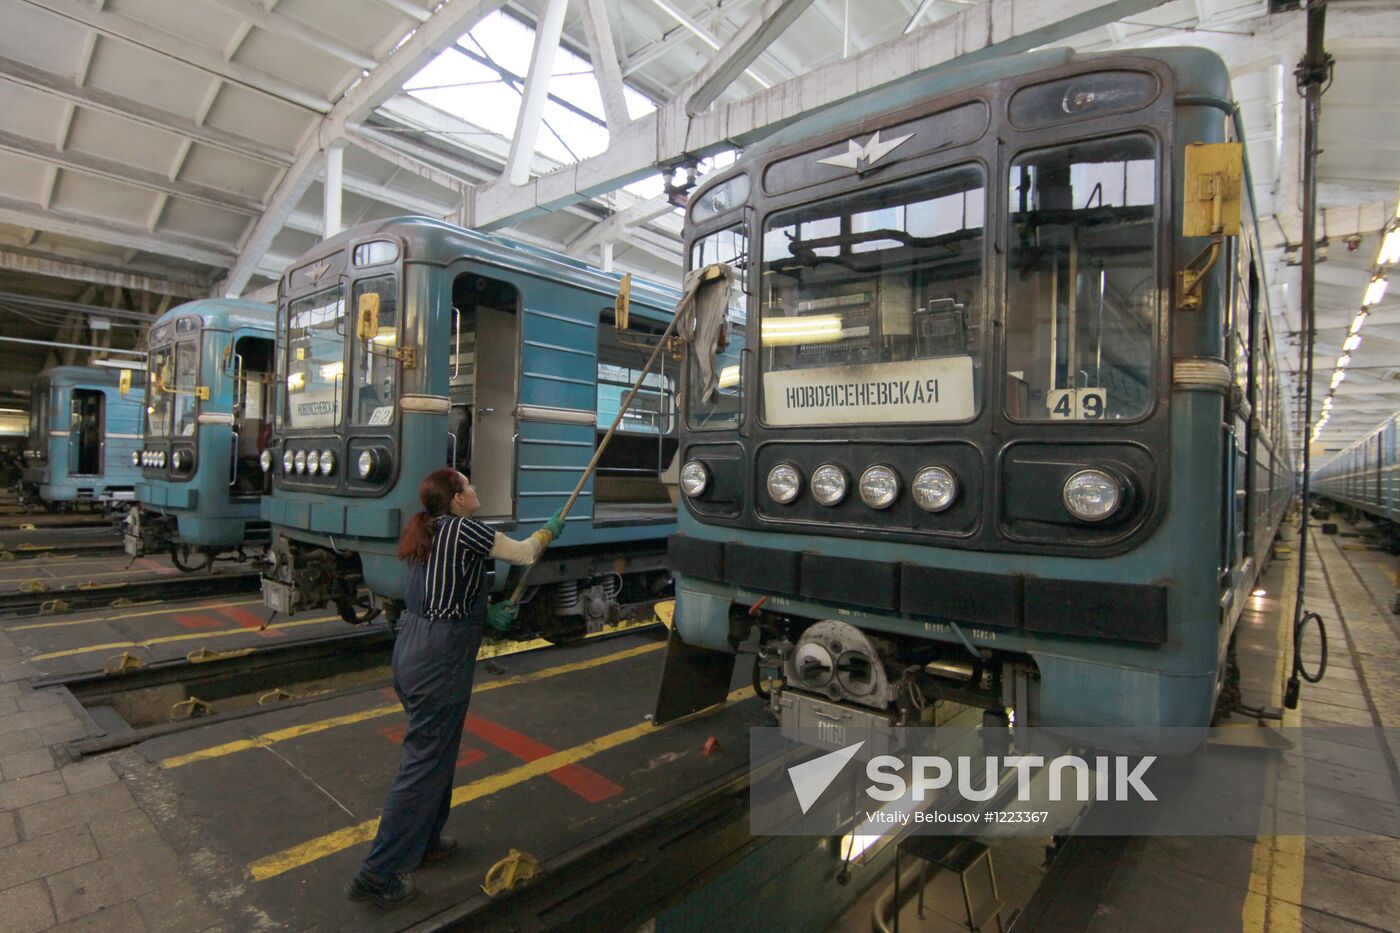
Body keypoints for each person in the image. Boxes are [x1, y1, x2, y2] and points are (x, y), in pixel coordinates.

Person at [344, 468, 565, 908]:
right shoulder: (467, 529)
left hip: (415, 646)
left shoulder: (431, 532)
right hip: (439, 658)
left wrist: (485, 616)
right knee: (424, 761)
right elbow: (522, 555)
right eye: (470, 485)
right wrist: (549, 529)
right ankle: (376, 873)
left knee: (439, 749)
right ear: (458, 499)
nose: (476, 488)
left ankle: (424, 840)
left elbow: (442, 598)